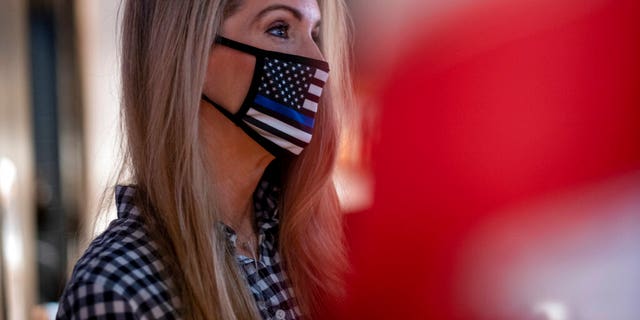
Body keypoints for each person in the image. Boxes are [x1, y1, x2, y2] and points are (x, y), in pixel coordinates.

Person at [56, 0, 353, 319]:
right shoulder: (119, 289)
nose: (318, 61)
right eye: (279, 28)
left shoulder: (309, 246)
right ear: (190, 53)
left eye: (315, 33)